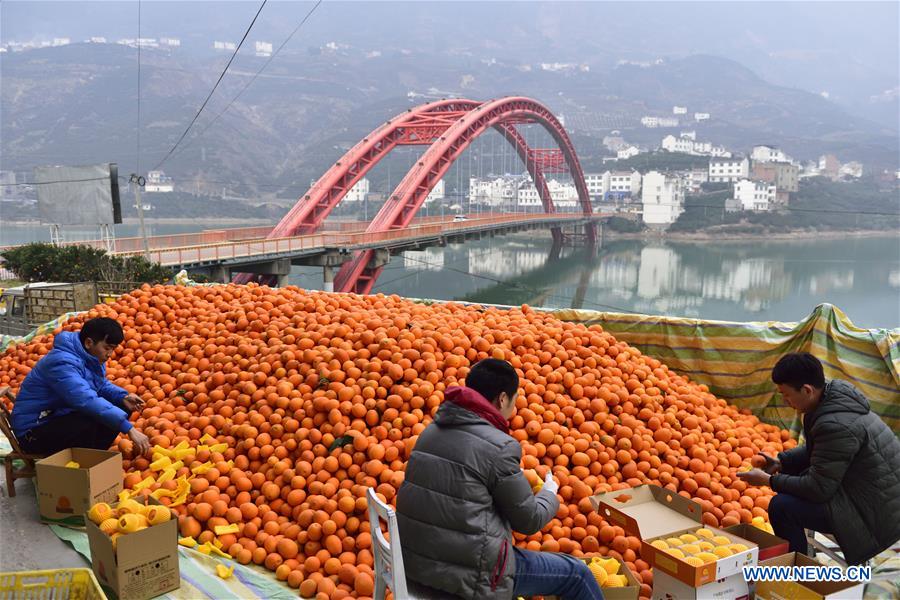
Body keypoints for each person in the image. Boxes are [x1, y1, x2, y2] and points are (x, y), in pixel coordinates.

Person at [396, 358, 603, 600]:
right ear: (503, 399)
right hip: (471, 579)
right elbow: (529, 520)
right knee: (578, 574)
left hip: (417, 569)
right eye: (515, 400)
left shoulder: (430, 431)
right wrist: (549, 492)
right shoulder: (499, 447)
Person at [738, 352, 900, 566]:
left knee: (781, 507)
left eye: (786, 395)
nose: (785, 402)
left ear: (807, 390)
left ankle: (799, 575)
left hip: (876, 514)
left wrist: (769, 481)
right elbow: (821, 450)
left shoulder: (835, 425)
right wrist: (781, 462)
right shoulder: (832, 398)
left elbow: (818, 488)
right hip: (873, 492)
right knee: (792, 475)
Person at [10, 317, 150, 456]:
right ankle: (87, 461)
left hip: (57, 417)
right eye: (107, 348)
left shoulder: (89, 356)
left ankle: (92, 458)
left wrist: (122, 396)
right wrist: (128, 428)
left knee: (123, 405)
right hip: (33, 432)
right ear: (89, 342)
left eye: (113, 349)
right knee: (89, 418)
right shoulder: (61, 362)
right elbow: (85, 399)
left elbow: (99, 384)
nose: (109, 354)